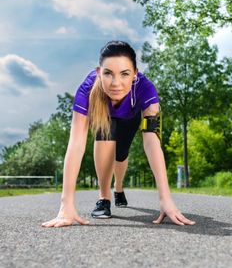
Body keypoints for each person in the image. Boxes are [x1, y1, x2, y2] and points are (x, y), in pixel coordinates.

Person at [42, 40, 195, 228]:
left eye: (124, 74)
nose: (116, 83)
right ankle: (104, 197)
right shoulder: (86, 90)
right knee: (105, 140)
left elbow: (152, 142)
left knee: (121, 154)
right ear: (99, 72)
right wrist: (66, 205)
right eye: (108, 73)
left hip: (130, 118)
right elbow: (76, 145)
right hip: (103, 114)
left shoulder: (146, 90)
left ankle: (119, 188)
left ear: (135, 74)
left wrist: (166, 198)